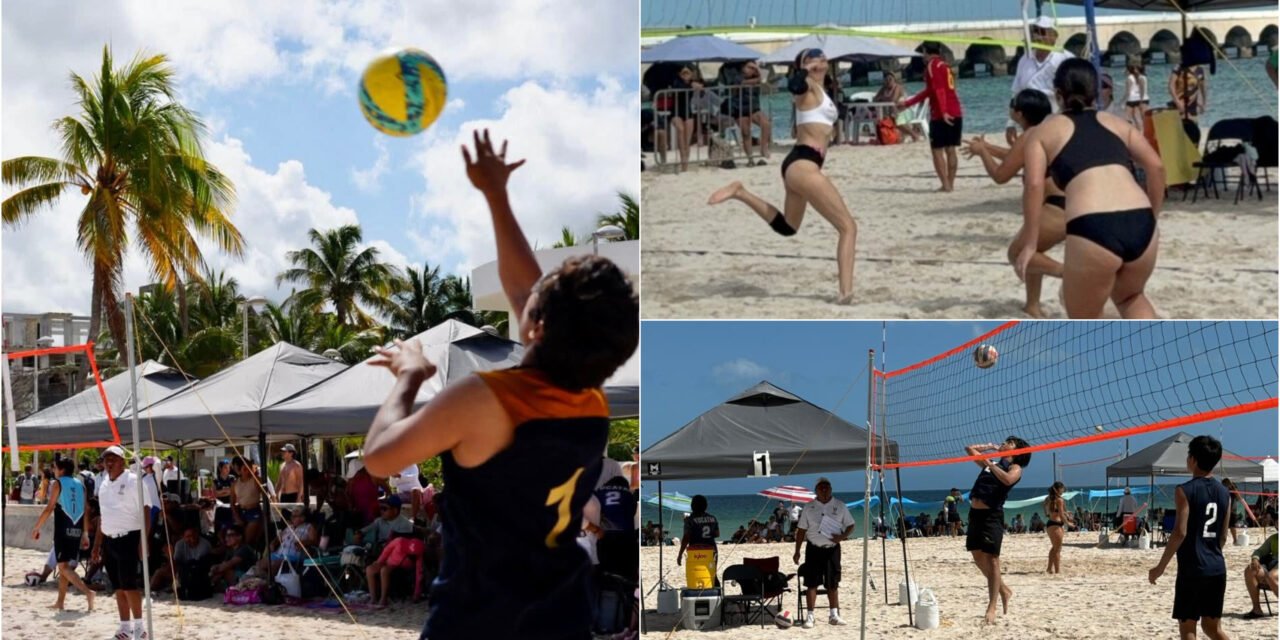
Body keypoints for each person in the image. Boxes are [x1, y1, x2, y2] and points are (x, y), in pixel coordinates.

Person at [361, 129, 639, 639]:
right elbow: (527, 290)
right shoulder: (591, 405)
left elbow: (379, 456)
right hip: (561, 617)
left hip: (479, 622)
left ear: (535, 326)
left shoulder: (489, 399)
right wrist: (495, 194)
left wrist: (409, 378)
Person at [707, 48, 859, 305]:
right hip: (804, 164)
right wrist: (805, 71)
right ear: (802, 66)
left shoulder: (822, 91)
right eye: (811, 59)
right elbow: (794, 85)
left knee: (788, 227)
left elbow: (829, 117)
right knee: (848, 228)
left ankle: (740, 192)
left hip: (799, 165)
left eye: (821, 58)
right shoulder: (807, 87)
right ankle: (845, 292)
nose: (819, 62)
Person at [1018, 58, 1165, 319]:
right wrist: (1152, 216)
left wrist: (1030, 243)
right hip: (1140, 222)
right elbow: (1156, 167)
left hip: (1093, 225)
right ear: (1095, 91)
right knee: (1131, 298)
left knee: (1085, 319)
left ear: (1057, 94)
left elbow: (1033, 185)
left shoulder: (1043, 132)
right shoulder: (1117, 123)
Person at [966, 89, 1062, 318]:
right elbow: (1015, 157)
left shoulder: (1029, 137)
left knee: (1018, 253)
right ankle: (1032, 305)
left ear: (1019, 114)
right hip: (1071, 201)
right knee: (1034, 250)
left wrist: (982, 154)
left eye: (1012, 105)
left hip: (1057, 206)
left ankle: (1070, 274)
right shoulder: (1047, 131)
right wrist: (988, 147)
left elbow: (1001, 175)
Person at [1148, 435, 1232, 640]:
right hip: (1216, 568)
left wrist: (1160, 567)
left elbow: (1180, 532)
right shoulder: (1225, 492)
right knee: (1213, 628)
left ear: (1193, 459)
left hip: (1193, 569)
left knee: (1188, 630)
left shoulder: (1184, 490)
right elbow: (1222, 536)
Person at [965, 437, 1030, 625]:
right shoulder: (990, 463)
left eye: (1008, 442)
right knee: (977, 557)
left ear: (1016, 451)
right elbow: (969, 448)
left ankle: (991, 606)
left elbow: (1009, 480)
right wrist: (989, 448)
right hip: (975, 514)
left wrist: (990, 464)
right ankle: (1003, 589)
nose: (1003, 443)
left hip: (991, 515)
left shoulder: (1015, 468)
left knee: (992, 559)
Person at [92, 446, 154, 640]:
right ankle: (124, 627)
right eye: (106, 460)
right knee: (117, 586)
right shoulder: (103, 483)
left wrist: (143, 540)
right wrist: (97, 545)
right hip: (110, 539)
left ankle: (139, 627)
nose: (109, 463)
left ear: (122, 461)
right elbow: (103, 515)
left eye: (113, 459)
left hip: (129, 536)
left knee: (129, 586)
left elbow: (146, 510)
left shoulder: (134, 481)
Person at [32, 458, 95, 612]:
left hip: (63, 528)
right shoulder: (81, 485)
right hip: (77, 528)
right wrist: (85, 534)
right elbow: (86, 510)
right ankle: (60, 602)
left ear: (61, 470)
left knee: (64, 567)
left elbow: (49, 508)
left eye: (55, 468)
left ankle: (88, 592)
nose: (53, 471)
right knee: (64, 565)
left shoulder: (57, 483)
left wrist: (37, 528)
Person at [900, 41, 964, 192]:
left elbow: (938, 90)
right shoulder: (945, 65)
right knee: (951, 150)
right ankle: (950, 184)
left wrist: (943, 112)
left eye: (923, 53)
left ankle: (946, 185)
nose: (922, 57)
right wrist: (909, 103)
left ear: (926, 52)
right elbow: (934, 90)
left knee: (937, 150)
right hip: (956, 110)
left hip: (942, 114)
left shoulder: (932, 65)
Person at [793, 477, 855, 628]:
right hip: (813, 549)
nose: (824, 490)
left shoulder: (840, 505)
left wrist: (841, 537)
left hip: (832, 549)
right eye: (821, 488)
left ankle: (834, 615)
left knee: (832, 582)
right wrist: (797, 551)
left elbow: (851, 525)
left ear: (831, 489)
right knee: (811, 583)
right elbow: (801, 530)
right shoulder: (809, 507)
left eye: (827, 487)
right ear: (816, 491)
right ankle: (810, 617)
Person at [1006, 16, 1072, 146]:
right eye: (1035, 31)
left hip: (1058, 122)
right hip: (1029, 124)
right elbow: (1016, 93)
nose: (1037, 36)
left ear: (1054, 36)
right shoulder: (1025, 59)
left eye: (1042, 32)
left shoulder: (1065, 59)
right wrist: (1010, 123)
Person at [724, 60, 772, 165]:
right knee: (746, 132)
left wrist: (757, 67)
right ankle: (750, 158)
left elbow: (764, 77)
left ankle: (763, 147)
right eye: (748, 67)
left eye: (752, 68)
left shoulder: (757, 76)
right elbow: (743, 83)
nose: (749, 70)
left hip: (753, 107)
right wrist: (758, 77)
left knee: (766, 124)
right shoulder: (737, 76)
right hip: (739, 107)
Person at [594, 474, 638, 581]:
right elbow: (632, 512)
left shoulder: (599, 492)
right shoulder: (628, 493)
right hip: (625, 534)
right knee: (626, 569)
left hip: (604, 534)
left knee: (605, 568)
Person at [366, 531, 426, 607]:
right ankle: (373, 598)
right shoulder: (399, 541)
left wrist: (416, 594)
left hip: (402, 568)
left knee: (384, 570)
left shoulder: (418, 553)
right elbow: (386, 551)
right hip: (389, 562)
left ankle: (383, 598)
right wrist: (379, 562)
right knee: (370, 569)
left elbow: (419, 574)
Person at [150, 526, 211, 593]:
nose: (192, 538)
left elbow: (200, 565)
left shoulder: (204, 545)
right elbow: (175, 564)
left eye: (193, 535)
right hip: (182, 572)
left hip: (198, 574)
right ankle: (151, 590)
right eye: (188, 536)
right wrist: (170, 557)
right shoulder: (179, 544)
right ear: (183, 537)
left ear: (197, 534)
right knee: (159, 572)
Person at [873, 72, 921, 143]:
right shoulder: (884, 88)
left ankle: (914, 135)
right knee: (883, 120)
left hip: (905, 110)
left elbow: (893, 99)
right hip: (892, 111)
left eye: (890, 79)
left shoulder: (898, 87)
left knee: (895, 121)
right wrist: (882, 98)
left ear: (894, 80)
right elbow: (875, 99)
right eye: (886, 79)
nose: (888, 81)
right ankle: (884, 137)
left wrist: (882, 98)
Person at [209, 525, 257, 591]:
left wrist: (212, 571)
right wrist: (215, 567)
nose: (226, 538)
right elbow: (224, 563)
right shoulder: (230, 550)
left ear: (239, 537)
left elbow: (230, 564)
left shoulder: (244, 549)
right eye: (226, 536)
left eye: (230, 535)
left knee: (225, 570)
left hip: (248, 577)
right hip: (237, 577)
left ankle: (209, 585)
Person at [676, 494, 719, 568]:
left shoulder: (689, 520)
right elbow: (717, 534)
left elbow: (686, 538)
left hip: (696, 551)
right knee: (711, 574)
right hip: (711, 550)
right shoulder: (713, 518)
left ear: (692, 506)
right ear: (705, 506)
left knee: (697, 574)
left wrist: (680, 554)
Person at [229, 457, 264, 546]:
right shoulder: (235, 484)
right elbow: (232, 502)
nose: (247, 470)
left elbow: (266, 495)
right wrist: (236, 516)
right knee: (235, 538)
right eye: (244, 468)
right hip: (241, 511)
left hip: (254, 511)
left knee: (247, 539)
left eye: (249, 467)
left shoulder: (256, 480)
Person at [1169, 63, 1208, 141]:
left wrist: (1203, 103)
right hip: (1179, 106)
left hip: (1192, 107)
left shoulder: (1200, 70)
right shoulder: (1179, 68)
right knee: (1180, 135)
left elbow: (1203, 87)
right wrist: (1177, 102)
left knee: (1193, 134)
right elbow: (1171, 85)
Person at [1245, 532, 1278, 619]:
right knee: (1250, 570)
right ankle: (1257, 610)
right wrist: (1255, 559)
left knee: (1272, 576)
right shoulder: (1274, 538)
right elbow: (1259, 551)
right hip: (1272, 567)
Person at [1044, 481, 1073, 574]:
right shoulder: (1060, 500)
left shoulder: (1048, 499)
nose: (1063, 490)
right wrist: (1068, 523)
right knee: (1057, 549)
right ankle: (1057, 571)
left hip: (1050, 524)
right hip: (1056, 525)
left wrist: (1064, 513)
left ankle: (1049, 568)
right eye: (1062, 488)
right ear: (1058, 489)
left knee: (1055, 548)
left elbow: (1046, 509)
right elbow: (1060, 513)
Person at [1124, 60, 1149, 133]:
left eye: (1136, 68)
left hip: (1142, 99)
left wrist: (1140, 101)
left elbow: (1142, 90)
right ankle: (1140, 131)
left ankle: (1143, 131)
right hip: (1139, 98)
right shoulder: (1138, 77)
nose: (1135, 70)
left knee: (1143, 117)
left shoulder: (1141, 77)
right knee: (1137, 116)